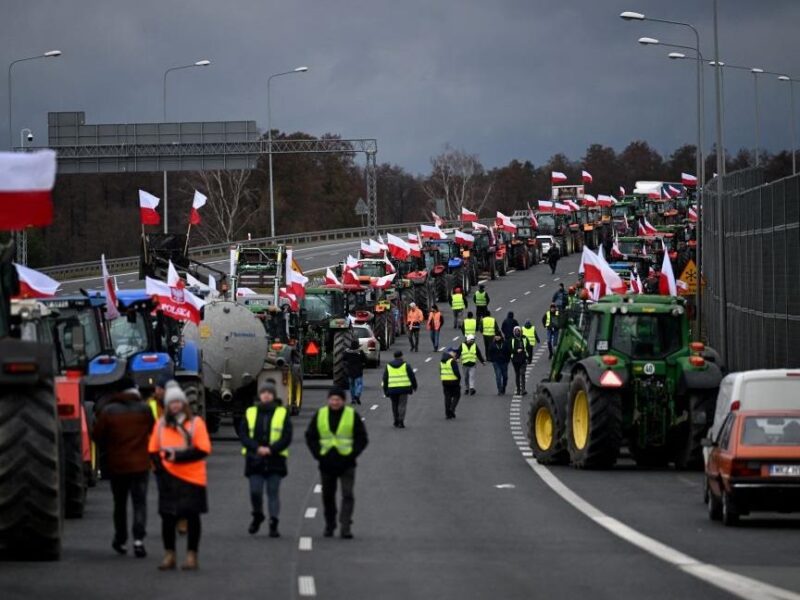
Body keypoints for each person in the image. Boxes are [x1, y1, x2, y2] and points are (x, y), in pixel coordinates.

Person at [149, 382, 212, 571]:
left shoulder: (196, 424)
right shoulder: (161, 425)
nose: (175, 405)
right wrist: (160, 469)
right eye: (171, 403)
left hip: (193, 478)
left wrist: (178, 456)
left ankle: (192, 555)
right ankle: (170, 555)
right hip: (169, 478)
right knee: (167, 518)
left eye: (178, 402)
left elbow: (204, 450)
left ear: (183, 403)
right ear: (167, 405)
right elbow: (152, 449)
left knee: (193, 518)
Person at [93, 378, 155, 558]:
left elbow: (98, 435)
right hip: (141, 464)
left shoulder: (109, 411)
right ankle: (138, 541)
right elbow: (153, 431)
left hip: (117, 465)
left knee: (119, 504)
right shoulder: (144, 409)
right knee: (139, 503)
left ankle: (120, 539)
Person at [305, 388, 368, 539]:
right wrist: (318, 454)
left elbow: (362, 438)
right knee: (328, 496)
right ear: (328, 400)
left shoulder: (351, 415)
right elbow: (310, 436)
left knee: (347, 494)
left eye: (338, 399)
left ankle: (345, 525)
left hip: (347, 463)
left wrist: (352, 454)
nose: (335, 402)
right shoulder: (320, 415)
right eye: (332, 399)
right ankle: (330, 523)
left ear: (343, 401)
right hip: (326, 463)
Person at [238, 381, 292, 538]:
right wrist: (257, 448)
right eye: (264, 393)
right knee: (255, 491)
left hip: (275, 459)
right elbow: (243, 435)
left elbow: (286, 436)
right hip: (255, 458)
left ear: (273, 395)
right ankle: (258, 515)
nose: (266, 395)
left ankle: (273, 523)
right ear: (260, 396)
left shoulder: (282, 413)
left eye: (269, 393)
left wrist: (271, 449)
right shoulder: (250, 413)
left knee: (272, 492)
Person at [381, 350, 418, 428]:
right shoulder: (406, 365)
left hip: (392, 389)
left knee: (394, 405)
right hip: (404, 388)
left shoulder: (388, 366)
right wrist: (414, 386)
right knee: (402, 405)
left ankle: (396, 420)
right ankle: (401, 421)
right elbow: (412, 376)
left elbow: (385, 379)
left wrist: (385, 390)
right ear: (401, 356)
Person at [440, 347, 462, 419]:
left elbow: (441, 371)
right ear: (450, 353)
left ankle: (447, 413)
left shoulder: (442, 361)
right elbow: (456, 372)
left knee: (447, 397)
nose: (455, 354)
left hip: (445, 381)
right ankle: (451, 410)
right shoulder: (452, 361)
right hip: (454, 381)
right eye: (454, 352)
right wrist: (459, 379)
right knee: (457, 395)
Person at [343, 340, 366, 405]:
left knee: (351, 386)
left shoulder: (347, 352)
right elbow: (365, 360)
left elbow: (344, 359)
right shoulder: (360, 352)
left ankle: (353, 399)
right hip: (358, 371)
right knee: (359, 384)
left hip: (350, 371)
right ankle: (357, 395)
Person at [509, 327, 530, 396]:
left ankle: (523, 389)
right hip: (515, 360)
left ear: (521, 332)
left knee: (522, 373)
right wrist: (516, 351)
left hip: (523, 359)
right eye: (516, 331)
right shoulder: (512, 340)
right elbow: (509, 349)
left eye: (518, 331)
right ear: (514, 332)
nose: (517, 332)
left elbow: (529, 348)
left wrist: (528, 358)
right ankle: (518, 390)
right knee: (517, 375)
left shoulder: (524, 339)